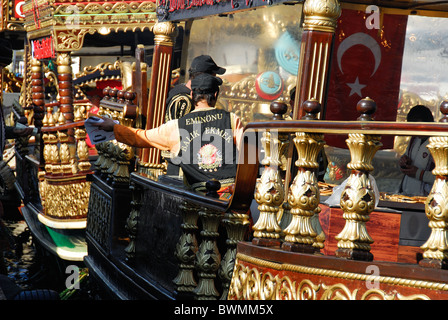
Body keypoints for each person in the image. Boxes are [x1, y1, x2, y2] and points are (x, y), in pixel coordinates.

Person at [92, 73, 244, 192]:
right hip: (229, 197)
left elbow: (140, 137)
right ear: (216, 95)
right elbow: (247, 157)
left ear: (191, 96)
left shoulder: (177, 126)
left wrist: (114, 127)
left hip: (197, 200)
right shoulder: (231, 119)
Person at [164, 55, 226, 175]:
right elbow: (182, 136)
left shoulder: (180, 92)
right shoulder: (184, 99)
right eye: (213, 76)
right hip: (181, 167)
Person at [398, 105, 435, 196]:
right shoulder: (414, 139)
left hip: (427, 199)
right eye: (413, 128)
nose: (416, 132)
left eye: (419, 128)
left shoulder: (439, 143)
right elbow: (407, 156)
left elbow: (444, 177)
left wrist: (418, 173)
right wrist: (404, 161)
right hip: (407, 194)